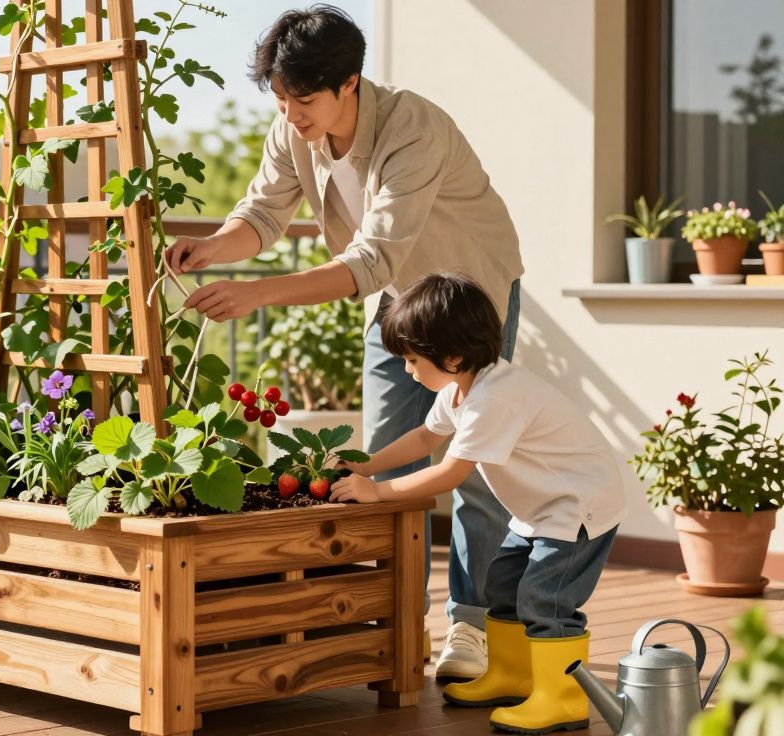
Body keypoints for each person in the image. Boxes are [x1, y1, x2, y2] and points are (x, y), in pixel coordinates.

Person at [166, 4, 524, 677]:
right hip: (397, 304)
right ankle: (392, 621)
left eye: (302, 99)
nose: (290, 114)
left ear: (349, 83)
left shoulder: (413, 129)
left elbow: (370, 261)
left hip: (471, 295)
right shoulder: (293, 126)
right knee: (380, 463)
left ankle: (472, 629)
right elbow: (265, 213)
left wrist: (256, 293)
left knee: (478, 464)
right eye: (279, 97)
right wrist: (215, 249)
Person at [331, 273, 625, 734]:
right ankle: (512, 676)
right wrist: (367, 466)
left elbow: (450, 472)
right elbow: (426, 436)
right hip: (540, 510)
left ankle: (564, 700)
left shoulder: (495, 398)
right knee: (503, 583)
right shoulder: (458, 389)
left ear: (451, 355)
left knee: (545, 599)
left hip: (578, 508)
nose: (408, 370)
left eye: (412, 360)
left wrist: (382, 491)